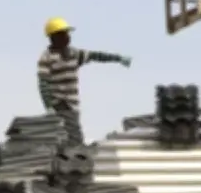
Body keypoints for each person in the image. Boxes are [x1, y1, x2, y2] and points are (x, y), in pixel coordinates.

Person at [37, 17, 132, 145]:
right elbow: (43, 84)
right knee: (74, 137)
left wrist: (118, 58)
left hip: (73, 103)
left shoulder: (74, 53)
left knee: (67, 137)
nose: (67, 37)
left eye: (67, 34)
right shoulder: (47, 57)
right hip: (60, 103)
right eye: (63, 34)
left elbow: (96, 56)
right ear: (54, 37)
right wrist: (48, 106)